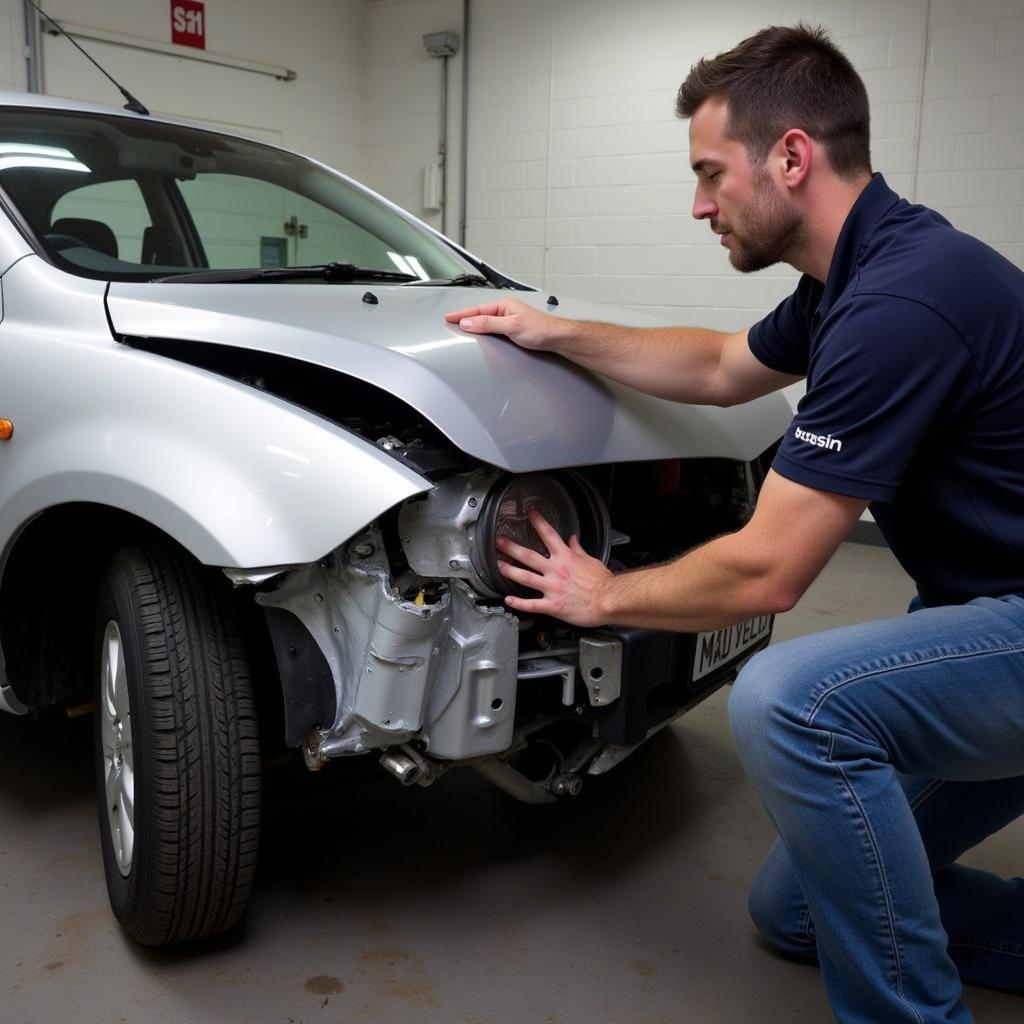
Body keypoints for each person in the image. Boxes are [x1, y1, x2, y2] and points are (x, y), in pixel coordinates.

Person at [445, 23, 1024, 1024]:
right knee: (790, 911)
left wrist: (605, 593)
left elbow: (766, 574)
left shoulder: (900, 303)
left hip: (1011, 628)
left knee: (793, 702)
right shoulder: (852, 275)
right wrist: (550, 329)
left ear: (790, 156)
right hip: (980, 614)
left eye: (711, 173)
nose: (699, 203)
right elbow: (718, 368)